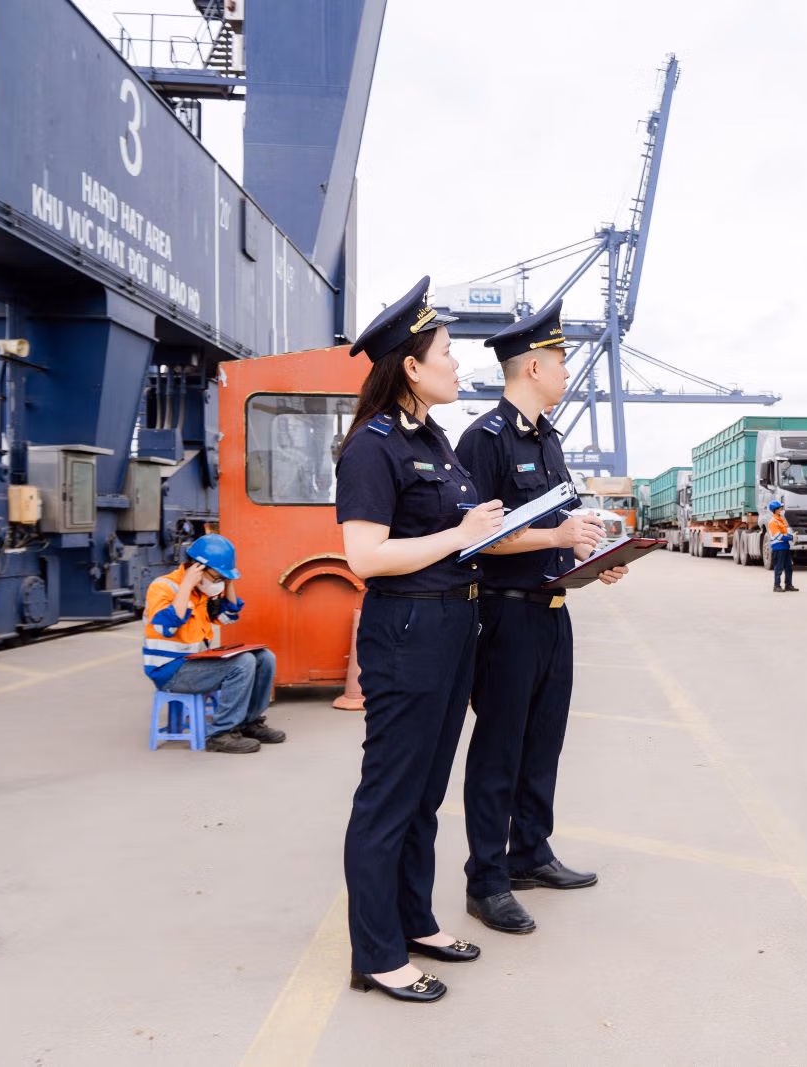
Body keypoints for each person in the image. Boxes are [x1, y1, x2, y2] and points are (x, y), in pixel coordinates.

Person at [335, 276, 509, 1004]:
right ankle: (377, 954)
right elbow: (365, 557)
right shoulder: (371, 448)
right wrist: (460, 534)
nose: (457, 364)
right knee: (390, 794)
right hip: (408, 629)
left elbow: (457, 532)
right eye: (446, 353)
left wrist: (493, 529)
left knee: (425, 792)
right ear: (411, 367)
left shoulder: (433, 437)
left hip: (452, 625)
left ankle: (414, 921)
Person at [454, 297, 628, 935]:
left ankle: (529, 853)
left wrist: (592, 556)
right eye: (560, 361)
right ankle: (486, 880)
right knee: (499, 748)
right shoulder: (484, 440)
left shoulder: (548, 440)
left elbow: (558, 526)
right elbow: (474, 541)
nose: (567, 371)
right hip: (505, 619)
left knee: (543, 742)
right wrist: (557, 537)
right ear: (532, 367)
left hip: (554, 612)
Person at [142, 533, 282, 754]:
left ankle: (249, 722)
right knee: (243, 663)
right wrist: (187, 585)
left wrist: (228, 582)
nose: (217, 583)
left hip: (195, 663)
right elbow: (165, 628)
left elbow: (229, 616)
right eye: (217, 577)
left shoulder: (203, 593)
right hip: (170, 671)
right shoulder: (163, 587)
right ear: (197, 567)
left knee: (265, 657)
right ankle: (220, 734)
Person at [768, 500, 797, 592]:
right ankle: (776, 586)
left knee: (789, 567)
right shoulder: (773, 522)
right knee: (779, 567)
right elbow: (779, 536)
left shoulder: (781, 519)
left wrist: (792, 536)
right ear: (775, 510)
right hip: (778, 547)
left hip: (785, 546)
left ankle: (788, 585)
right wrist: (791, 537)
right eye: (779, 508)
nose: (781, 509)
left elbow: (785, 532)